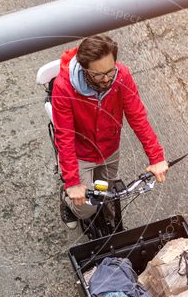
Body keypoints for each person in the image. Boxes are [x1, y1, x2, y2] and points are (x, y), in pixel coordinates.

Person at [50, 34, 169, 228]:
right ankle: (66, 199)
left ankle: (98, 206)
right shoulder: (64, 88)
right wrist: (72, 182)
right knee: (85, 208)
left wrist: (156, 157)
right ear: (84, 68)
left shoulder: (122, 75)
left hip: (109, 149)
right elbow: (65, 136)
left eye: (110, 71)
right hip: (81, 154)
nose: (107, 79)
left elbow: (137, 117)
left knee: (105, 189)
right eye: (98, 75)